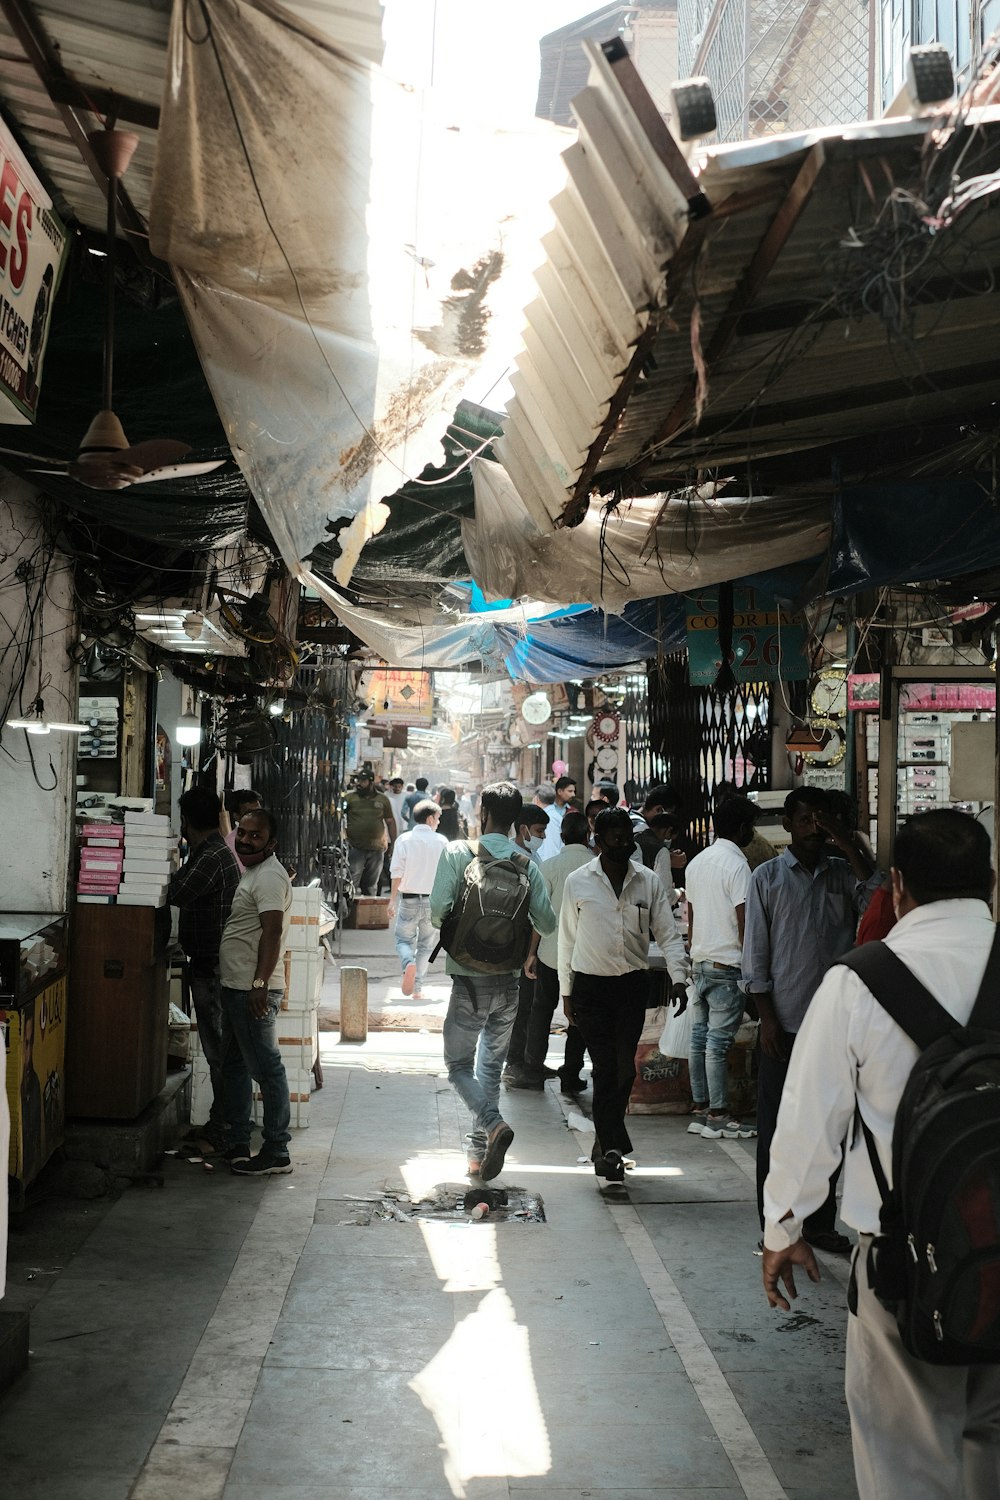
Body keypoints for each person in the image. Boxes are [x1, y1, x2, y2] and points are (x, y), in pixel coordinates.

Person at [761, 810, 1000, 1499]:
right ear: (988, 882)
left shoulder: (858, 982)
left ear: (896, 887)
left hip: (903, 1263)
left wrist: (784, 1229)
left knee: (906, 1456)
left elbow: (809, 1121)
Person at [743, 786, 878, 1252]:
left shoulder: (844, 876)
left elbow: (878, 893)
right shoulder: (767, 879)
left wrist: (844, 838)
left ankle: (819, 1224)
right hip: (787, 1018)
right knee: (778, 1128)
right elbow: (755, 955)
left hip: (837, 1025)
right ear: (787, 823)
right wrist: (767, 1019)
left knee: (831, 1128)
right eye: (806, 820)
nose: (813, 829)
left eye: (821, 821)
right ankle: (775, 1223)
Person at [430, 781, 556, 1181]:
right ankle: (477, 1155)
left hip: (468, 979)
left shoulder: (456, 852)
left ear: (482, 813)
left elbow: (437, 912)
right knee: (489, 1067)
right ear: (517, 820)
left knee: (457, 1065)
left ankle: (492, 1123)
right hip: (509, 984)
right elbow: (548, 923)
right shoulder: (527, 866)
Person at [559, 808, 690, 1182]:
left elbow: (667, 933)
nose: (623, 845)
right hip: (590, 987)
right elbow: (566, 940)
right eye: (614, 839)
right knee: (605, 1067)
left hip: (632, 986)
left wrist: (679, 977)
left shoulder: (647, 882)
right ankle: (612, 1148)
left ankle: (606, 1142)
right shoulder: (578, 882)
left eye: (627, 839)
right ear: (597, 842)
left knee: (624, 1067)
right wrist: (566, 994)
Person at [218, 807, 294, 1176]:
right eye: (243, 833)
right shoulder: (254, 872)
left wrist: (260, 984)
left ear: (272, 842)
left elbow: (273, 932)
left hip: (253, 990)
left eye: (255, 836)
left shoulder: (268, 878)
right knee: (234, 1065)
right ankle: (237, 1138)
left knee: (267, 1069)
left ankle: (277, 1150)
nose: (246, 840)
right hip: (237, 986)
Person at [168, 786, 242, 1149]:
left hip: (213, 968)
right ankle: (224, 1123)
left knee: (218, 1051)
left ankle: (224, 1126)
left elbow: (176, 892)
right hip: (210, 964)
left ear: (187, 821)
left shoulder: (211, 856)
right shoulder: (210, 852)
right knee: (218, 1049)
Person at [683, 794, 758, 1140]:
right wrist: (753, 966)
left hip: (699, 962)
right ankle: (718, 1113)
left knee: (699, 1041)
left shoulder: (697, 862)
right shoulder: (738, 866)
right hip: (727, 965)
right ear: (743, 828)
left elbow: (692, 917)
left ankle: (700, 1108)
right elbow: (746, 922)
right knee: (717, 1044)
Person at [518, 810, 593, 1092]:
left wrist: (531, 953)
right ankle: (571, 1074)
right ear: (588, 836)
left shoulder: (548, 866)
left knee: (541, 1011)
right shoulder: (596, 866)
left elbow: (539, 916)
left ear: (562, 837)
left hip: (551, 953)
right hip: (585, 956)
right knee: (579, 1015)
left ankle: (532, 1067)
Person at [502, 804, 552, 1082]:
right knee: (522, 1007)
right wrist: (530, 951)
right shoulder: (518, 859)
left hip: (528, 941)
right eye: (539, 831)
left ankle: (529, 1061)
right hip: (521, 943)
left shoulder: (531, 856)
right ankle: (515, 1062)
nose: (542, 836)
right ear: (523, 830)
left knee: (530, 1006)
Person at [387, 799, 446, 999]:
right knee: (426, 946)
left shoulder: (403, 840)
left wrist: (391, 900)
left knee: (403, 939)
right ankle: (418, 988)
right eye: (437, 818)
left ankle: (407, 963)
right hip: (433, 901)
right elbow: (447, 876)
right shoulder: (442, 842)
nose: (438, 822)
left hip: (409, 900)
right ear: (430, 819)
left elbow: (396, 872)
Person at [343, 769, 396, 897]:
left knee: (371, 885)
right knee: (352, 883)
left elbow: (390, 822)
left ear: (371, 782)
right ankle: (350, 914)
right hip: (355, 847)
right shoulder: (349, 798)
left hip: (376, 849)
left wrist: (393, 843)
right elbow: (338, 817)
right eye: (358, 780)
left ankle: (367, 914)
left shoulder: (383, 800)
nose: (359, 783)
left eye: (363, 781)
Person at [537, 775, 578, 861]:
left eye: (574, 791)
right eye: (570, 791)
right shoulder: (549, 812)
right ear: (559, 791)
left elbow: (551, 849)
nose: (573, 794)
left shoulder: (573, 812)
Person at [223, 787, 262, 874]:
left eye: (259, 811)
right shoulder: (232, 844)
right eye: (250, 813)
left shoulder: (264, 837)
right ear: (237, 816)